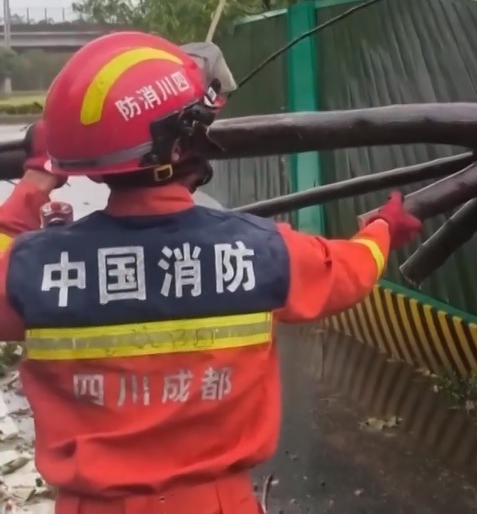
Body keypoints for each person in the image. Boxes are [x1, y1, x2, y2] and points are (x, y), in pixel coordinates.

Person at [0, 31, 425, 514]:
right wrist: (385, 228)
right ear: (181, 146)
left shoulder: (36, 266)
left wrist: (33, 185)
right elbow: (350, 271)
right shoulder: (256, 249)